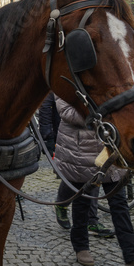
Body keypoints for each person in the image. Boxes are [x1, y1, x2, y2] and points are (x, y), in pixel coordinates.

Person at [53, 95, 134, 266]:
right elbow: (66, 112)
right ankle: (81, 246)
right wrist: (101, 113)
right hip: (80, 151)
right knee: (83, 202)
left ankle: (133, 257)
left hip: (109, 148)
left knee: (119, 205)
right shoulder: (66, 77)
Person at [41, 92, 114, 237]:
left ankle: (91, 221)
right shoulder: (62, 80)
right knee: (74, 177)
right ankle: (62, 203)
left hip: (95, 136)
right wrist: (47, 135)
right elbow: (48, 107)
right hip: (70, 136)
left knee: (93, 176)